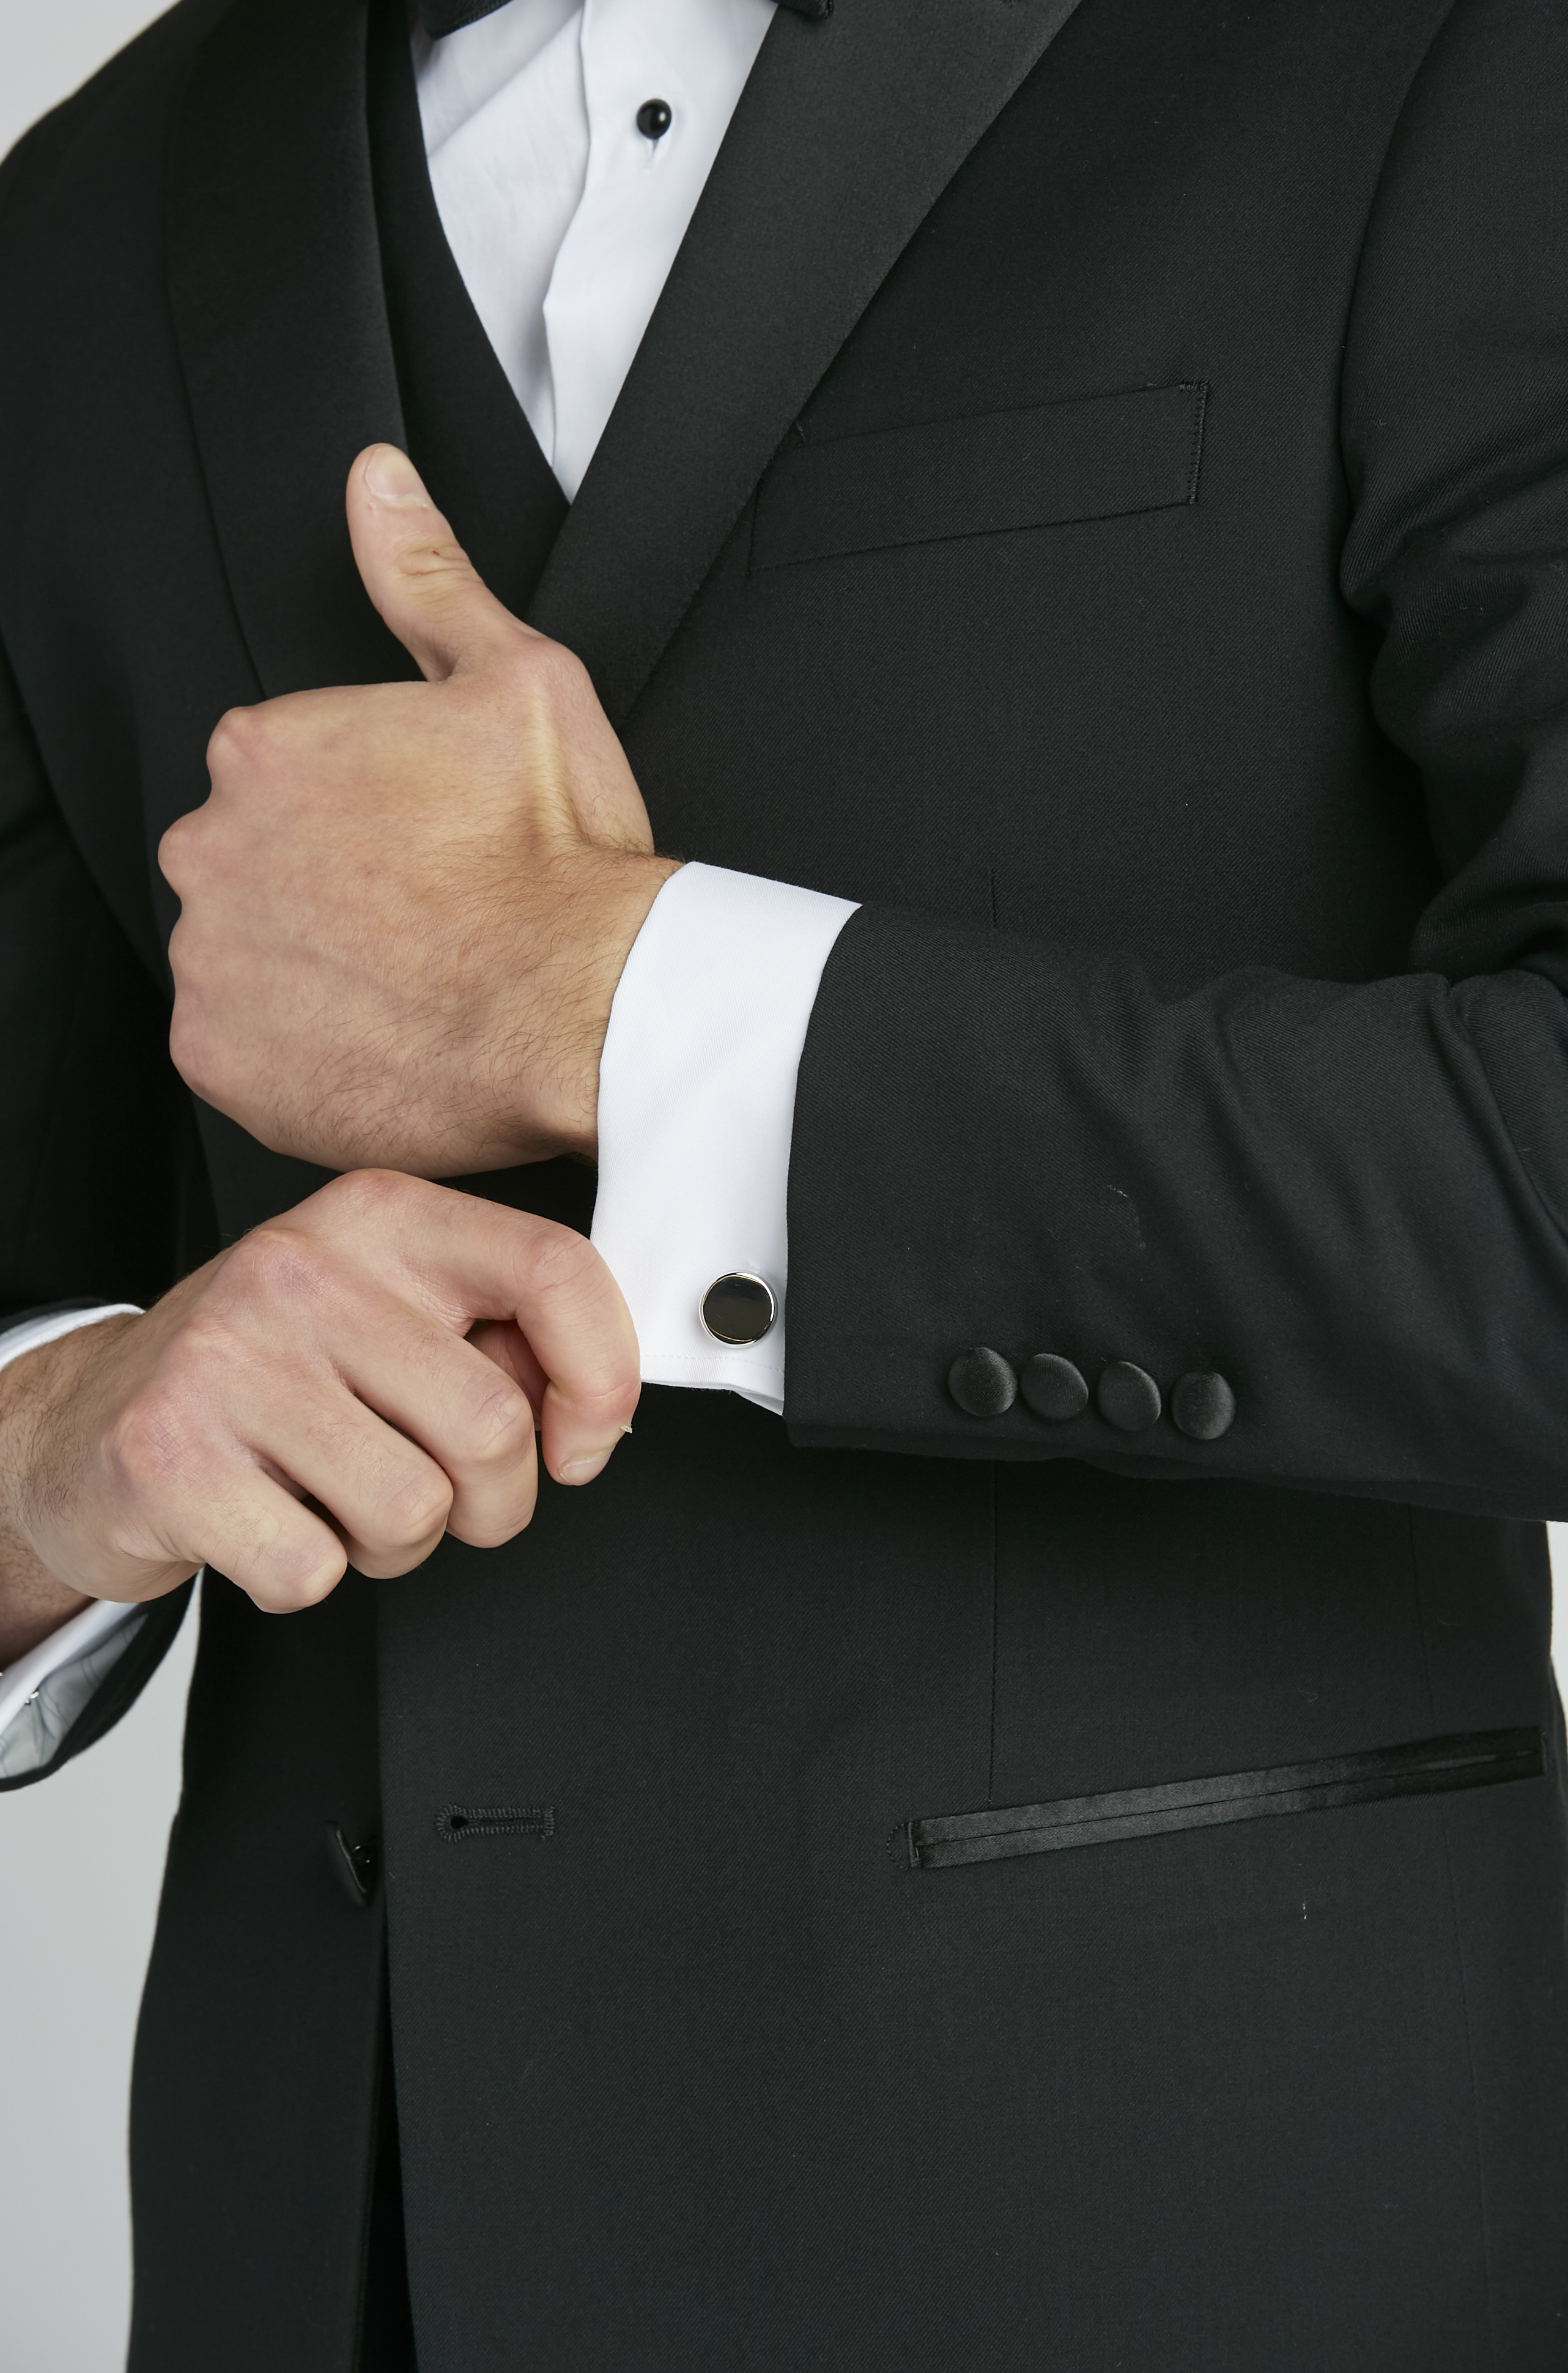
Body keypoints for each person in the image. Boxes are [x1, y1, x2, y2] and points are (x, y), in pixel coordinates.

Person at [2, 0, 1566, 2361]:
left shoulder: (1447, 54)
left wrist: (619, 1010)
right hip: (331, 2254)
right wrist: (57, 1462)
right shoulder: (88, 213)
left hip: (1199, 2232)